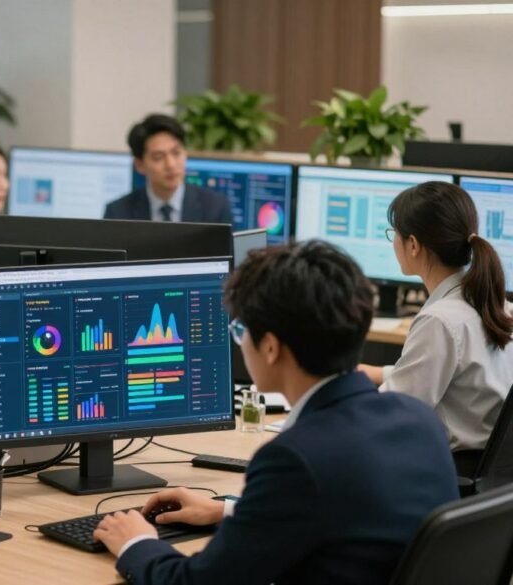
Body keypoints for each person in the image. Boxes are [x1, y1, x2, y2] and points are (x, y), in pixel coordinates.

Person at [94, 241, 458, 585]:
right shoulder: (417, 418)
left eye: (240, 330)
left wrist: (136, 542)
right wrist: (229, 511)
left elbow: (197, 582)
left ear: (270, 347)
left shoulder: (296, 458)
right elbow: (347, 517)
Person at [358, 182, 513, 471]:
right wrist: (381, 373)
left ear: (413, 245)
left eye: (395, 235)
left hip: (446, 474)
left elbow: (393, 412)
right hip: (492, 483)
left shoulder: (439, 321)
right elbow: (464, 374)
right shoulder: (497, 305)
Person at [103, 114, 231, 224]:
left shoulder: (215, 208)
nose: (171, 164)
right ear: (140, 165)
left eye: (176, 153)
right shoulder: (118, 214)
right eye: (158, 157)